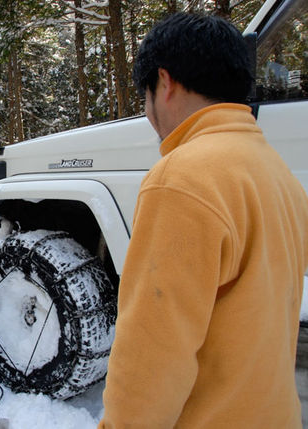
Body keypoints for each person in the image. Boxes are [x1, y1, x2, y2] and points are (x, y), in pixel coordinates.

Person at [99, 13, 308, 428]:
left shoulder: (181, 179)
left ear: (166, 82)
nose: (147, 113)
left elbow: (152, 355)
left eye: (145, 96)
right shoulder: (277, 172)